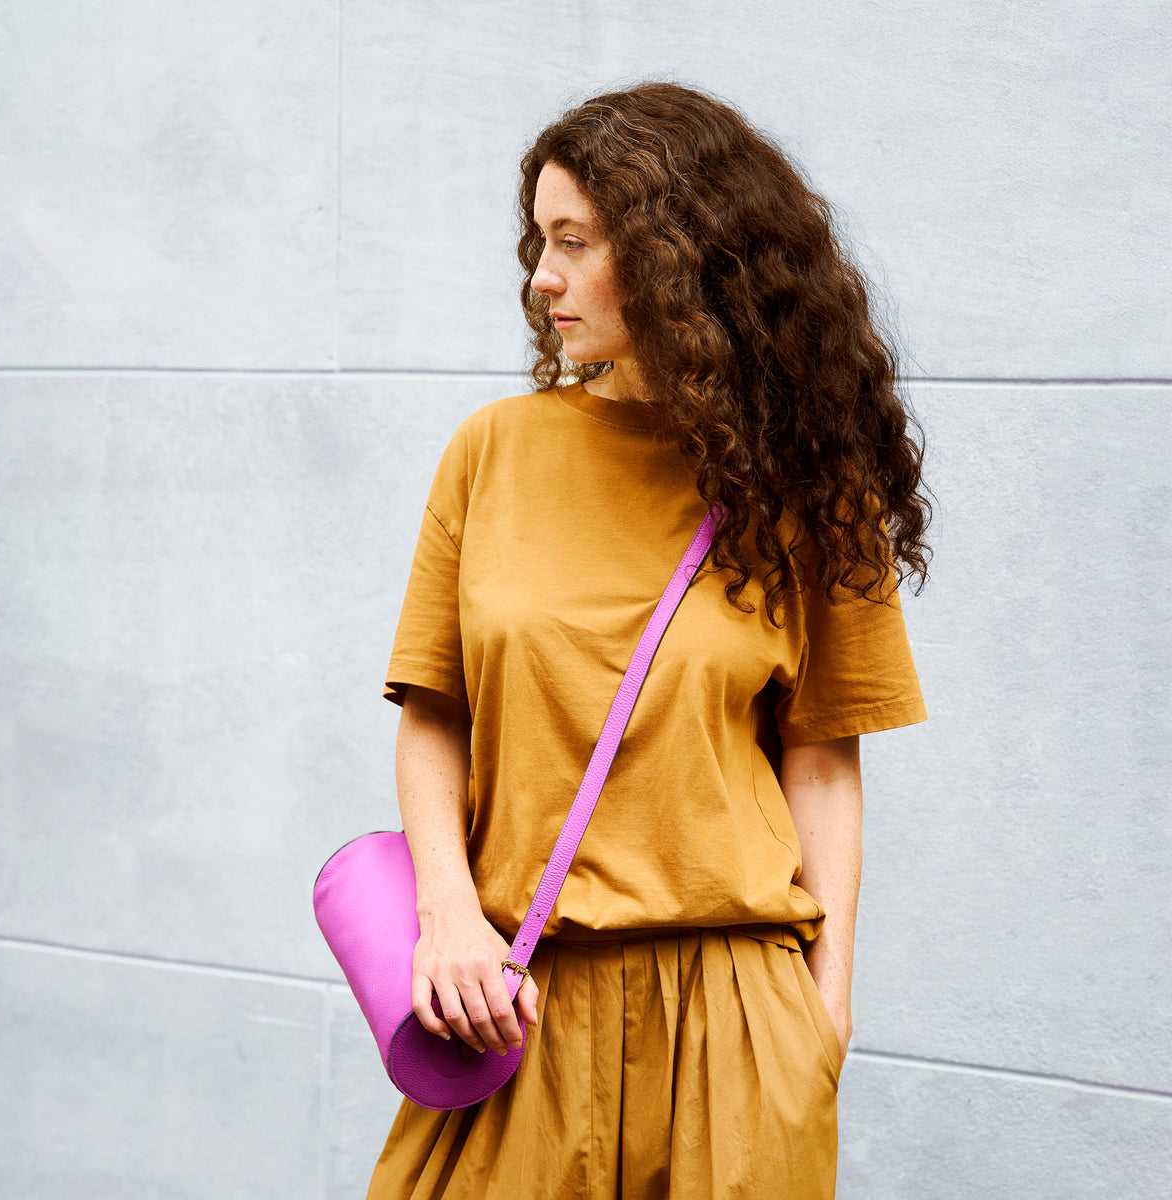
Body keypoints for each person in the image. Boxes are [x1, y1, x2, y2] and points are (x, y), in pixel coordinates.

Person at [367, 81, 931, 1199]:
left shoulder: (810, 485)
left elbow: (822, 762)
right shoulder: (493, 453)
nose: (542, 276)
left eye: (574, 241)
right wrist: (447, 918)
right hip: (515, 1002)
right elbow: (434, 712)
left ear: (680, 254)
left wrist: (824, 1016)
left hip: (735, 1019)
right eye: (540, 240)